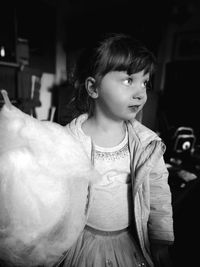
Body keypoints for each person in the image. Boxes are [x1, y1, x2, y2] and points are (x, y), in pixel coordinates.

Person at [58, 33, 174, 267]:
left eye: (145, 82)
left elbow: (159, 194)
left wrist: (161, 241)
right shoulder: (67, 142)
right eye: (129, 80)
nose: (141, 93)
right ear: (93, 87)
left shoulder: (146, 144)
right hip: (82, 246)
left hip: (128, 244)